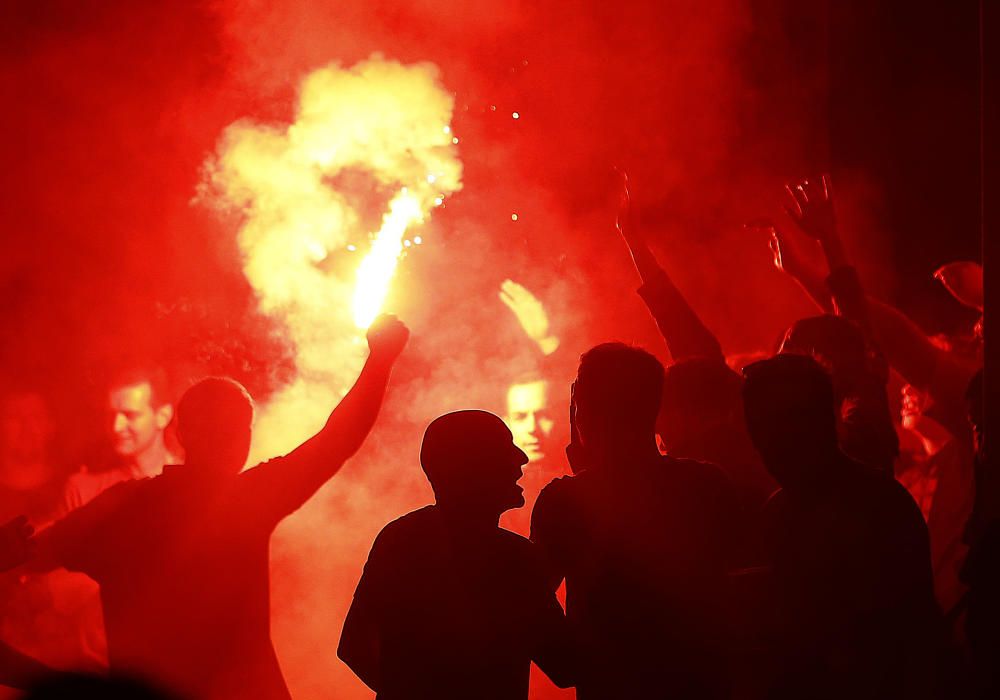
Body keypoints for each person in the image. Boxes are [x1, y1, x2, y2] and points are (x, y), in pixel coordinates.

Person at [32, 314, 409, 700]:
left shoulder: (121, 506)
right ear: (243, 437)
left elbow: (28, 552)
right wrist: (380, 360)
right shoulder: (243, 501)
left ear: (179, 433)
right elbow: (337, 441)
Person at [531, 343, 736, 699]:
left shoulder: (563, 502)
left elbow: (533, 601)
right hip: (704, 684)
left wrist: (571, 662)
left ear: (583, 412)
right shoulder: (708, 484)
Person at [742, 354, 939, 699]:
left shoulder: (876, 506)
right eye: (759, 427)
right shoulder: (778, 512)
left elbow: (903, 641)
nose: (769, 443)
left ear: (823, 421)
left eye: (785, 424)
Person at [339, 410, 574, 698]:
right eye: (504, 447)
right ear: (472, 467)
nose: (520, 458)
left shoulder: (399, 539)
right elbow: (565, 665)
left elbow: (352, 647)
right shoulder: (515, 559)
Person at [614, 174, 774, 511]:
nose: (654, 423)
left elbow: (691, 348)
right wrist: (635, 245)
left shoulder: (675, 493)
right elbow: (687, 337)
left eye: (662, 408)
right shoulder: (766, 464)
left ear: (695, 416)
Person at [63, 365, 181, 511]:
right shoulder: (85, 490)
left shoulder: (190, 480)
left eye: (130, 415)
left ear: (163, 416)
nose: (116, 427)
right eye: (111, 415)